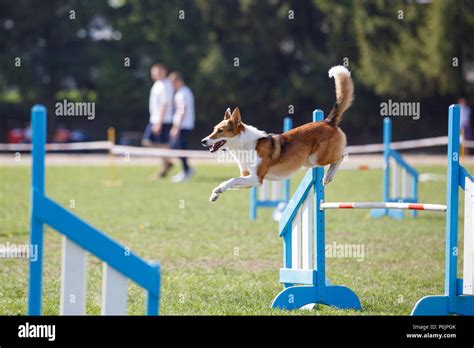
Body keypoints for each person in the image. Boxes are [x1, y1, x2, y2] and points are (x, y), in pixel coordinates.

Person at [142, 63, 175, 178]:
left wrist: (159, 122)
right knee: (148, 142)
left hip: (163, 120)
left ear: (163, 71)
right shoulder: (157, 84)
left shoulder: (166, 85)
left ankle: (165, 166)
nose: (154, 74)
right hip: (154, 119)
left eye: (156, 71)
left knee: (163, 144)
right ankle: (167, 162)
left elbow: (165, 104)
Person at [168, 71, 195, 182]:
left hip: (183, 126)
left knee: (180, 149)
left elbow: (182, 111)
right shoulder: (181, 92)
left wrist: (177, 127)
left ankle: (186, 171)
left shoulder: (183, 93)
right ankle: (187, 169)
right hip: (181, 125)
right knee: (176, 147)